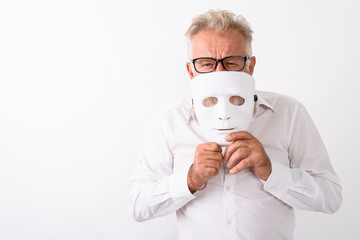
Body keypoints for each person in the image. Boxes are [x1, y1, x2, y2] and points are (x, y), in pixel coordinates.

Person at [129, 9, 342, 240]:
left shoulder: (289, 113)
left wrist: (271, 171)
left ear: (250, 67)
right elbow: (139, 205)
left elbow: (330, 198)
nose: (219, 71)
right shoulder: (170, 121)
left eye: (231, 62)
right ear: (191, 71)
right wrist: (190, 179)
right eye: (206, 63)